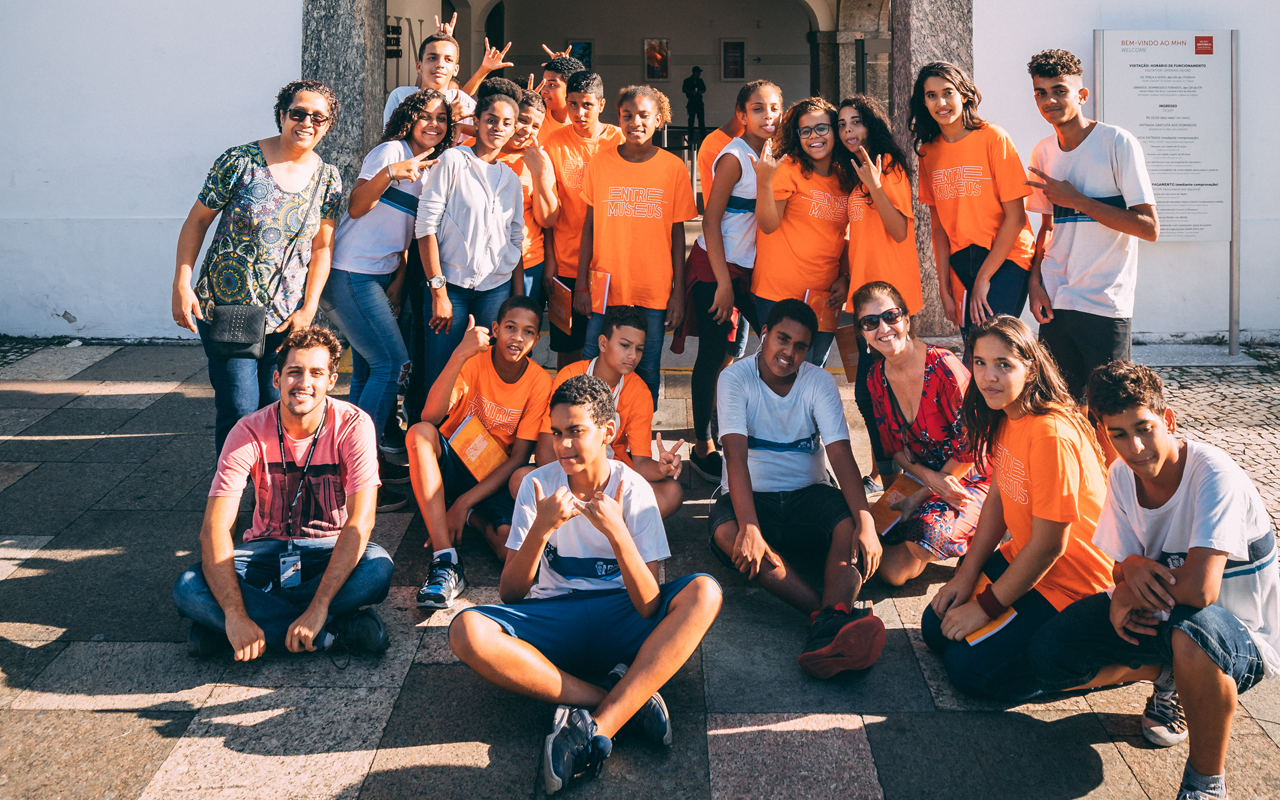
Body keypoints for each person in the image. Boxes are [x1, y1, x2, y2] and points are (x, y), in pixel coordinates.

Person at [448, 374, 723, 794]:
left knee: (706, 592)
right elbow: (511, 594)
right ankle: (618, 697)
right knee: (466, 631)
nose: (563, 446)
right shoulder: (538, 486)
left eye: (576, 432)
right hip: (556, 618)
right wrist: (540, 529)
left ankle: (593, 726)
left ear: (607, 432)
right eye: (557, 433)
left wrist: (617, 534)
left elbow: (649, 605)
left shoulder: (634, 490)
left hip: (622, 616)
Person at [1030, 361, 1278, 800]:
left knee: (1192, 633)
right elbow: (1116, 568)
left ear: (1168, 420)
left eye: (1144, 427)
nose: (1136, 446)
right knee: (1050, 656)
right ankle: (1171, 676)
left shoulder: (1213, 474)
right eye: (1119, 434)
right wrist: (1124, 581)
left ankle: (1206, 783)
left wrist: (1128, 584)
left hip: (1238, 633)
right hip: (1166, 618)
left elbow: (1201, 591)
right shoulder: (1121, 475)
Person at [922, 315, 1113, 701]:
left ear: (1031, 367)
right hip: (1029, 560)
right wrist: (965, 574)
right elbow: (997, 497)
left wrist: (985, 608)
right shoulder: (1008, 413)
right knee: (935, 627)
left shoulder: (1049, 433)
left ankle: (1120, 662)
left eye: (1003, 364)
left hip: (1075, 585)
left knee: (969, 671)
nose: (988, 376)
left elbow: (1049, 545)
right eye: (979, 362)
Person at [173, 326, 393, 660]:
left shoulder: (353, 425)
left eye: (316, 373)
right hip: (265, 553)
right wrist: (234, 614)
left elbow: (361, 522)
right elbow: (215, 529)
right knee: (188, 585)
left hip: (327, 551)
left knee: (377, 566)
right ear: (276, 379)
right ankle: (333, 631)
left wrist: (318, 606)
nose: (304, 383)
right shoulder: (247, 431)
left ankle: (247, 626)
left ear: (331, 382)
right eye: (294, 372)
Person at [709, 299, 886, 678]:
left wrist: (866, 522)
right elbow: (735, 457)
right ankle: (828, 619)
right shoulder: (735, 378)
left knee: (850, 528)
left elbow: (841, 456)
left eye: (800, 346)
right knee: (728, 532)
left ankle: (829, 621)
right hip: (753, 497)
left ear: (809, 351)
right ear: (764, 335)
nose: (788, 352)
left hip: (809, 493)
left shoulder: (818, 382)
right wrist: (751, 528)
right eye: (782, 339)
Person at [172, 80, 344, 457]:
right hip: (227, 308)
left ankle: (268, 501)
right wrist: (182, 284)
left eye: (318, 117)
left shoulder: (328, 178)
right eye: (297, 113)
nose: (306, 123)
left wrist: (308, 307)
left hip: (286, 316)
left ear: (328, 125)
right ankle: (228, 503)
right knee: (238, 410)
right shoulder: (240, 161)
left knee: (280, 410)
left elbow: (322, 247)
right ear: (282, 115)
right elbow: (197, 221)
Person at [320, 89, 452, 510]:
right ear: (408, 118)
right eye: (426, 116)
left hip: (377, 277)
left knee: (366, 373)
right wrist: (392, 171)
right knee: (393, 365)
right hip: (351, 273)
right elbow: (357, 207)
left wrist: (397, 278)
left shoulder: (431, 168)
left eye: (442, 119)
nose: (434, 124)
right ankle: (362, 469)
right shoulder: (389, 152)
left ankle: (341, 464)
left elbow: (406, 230)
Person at [1023, 49, 1160, 402]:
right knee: (1060, 408)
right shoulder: (1043, 151)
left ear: (1082, 95)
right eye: (1041, 92)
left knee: (1111, 410)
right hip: (1056, 302)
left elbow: (1148, 227)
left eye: (1059, 90)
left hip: (1104, 303)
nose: (1049, 100)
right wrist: (1035, 283)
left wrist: (1078, 200)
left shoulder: (1117, 142)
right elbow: (1047, 227)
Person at [407, 296, 552, 609]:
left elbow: (517, 459)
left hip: (492, 476)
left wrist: (464, 503)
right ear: (496, 329)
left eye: (528, 332)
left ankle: (470, 517)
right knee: (418, 434)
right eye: (510, 327)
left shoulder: (540, 382)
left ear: (536, 340)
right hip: (453, 461)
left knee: (509, 549)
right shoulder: (474, 360)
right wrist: (459, 354)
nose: (517, 337)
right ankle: (445, 560)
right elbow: (429, 417)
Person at [852, 282, 988, 586]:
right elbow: (894, 448)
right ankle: (943, 539)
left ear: (907, 320)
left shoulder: (944, 367)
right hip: (922, 475)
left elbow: (971, 450)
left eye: (891, 316)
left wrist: (926, 492)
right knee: (872, 549)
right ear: (862, 334)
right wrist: (926, 481)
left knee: (911, 551)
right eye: (870, 322)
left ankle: (992, 532)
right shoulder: (876, 377)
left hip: (971, 477)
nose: (883, 328)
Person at [683, 80, 782, 483]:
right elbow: (709, 220)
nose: (768, 116)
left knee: (765, 340)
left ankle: (751, 426)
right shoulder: (733, 157)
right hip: (717, 267)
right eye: (758, 109)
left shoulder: (773, 155)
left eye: (774, 108)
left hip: (750, 272)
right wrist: (723, 284)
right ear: (742, 115)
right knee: (712, 352)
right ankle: (702, 444)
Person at [579, 85, 698, 404]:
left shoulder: (672, 167)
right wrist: (580, 284)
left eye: (644, 115)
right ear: (618, 118)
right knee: (593, 361)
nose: (635, 122)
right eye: (627, 116)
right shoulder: (600, 163)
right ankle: (593, 433)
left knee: (646, 366)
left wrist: (678, 293)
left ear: (659, 120)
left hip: (653, 289)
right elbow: (588, 226)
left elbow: (678, 235)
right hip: (605, 285)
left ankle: (639, 441)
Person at [512, 305, 686, 518]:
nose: (632, 355)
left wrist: (661, 469)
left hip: (611, 480)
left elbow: (640, 463)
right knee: (520, 480)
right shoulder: (571, 375)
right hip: (567, 473)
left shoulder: (639, 392)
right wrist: (569, 487)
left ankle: (582, 523)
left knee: (672, 492)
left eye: (639, 349)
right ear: (603, 343)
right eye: (625, 345)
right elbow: (545, 450)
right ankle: (601, 527)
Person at [414, 87, 524, 401]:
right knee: (440, 371)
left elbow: (516, 235)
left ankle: (471, 448)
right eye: (490, 120)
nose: (498, 128)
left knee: (481, 375)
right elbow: (426, 227)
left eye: (506, 122)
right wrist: (439, 292)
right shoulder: (452, 160)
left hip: (494, 289)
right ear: (476, 121)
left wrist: (511, 290)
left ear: (514, 128)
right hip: (450, 288)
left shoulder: (511, 179)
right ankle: (433, 442)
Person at [910, 62, 1036, 335]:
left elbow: (1016, 219)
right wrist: (943, 289)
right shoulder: (928, 153)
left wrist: (983, 278)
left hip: (1006, 259)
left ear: (964, 95)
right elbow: (938, 228)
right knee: (974, 349)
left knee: (994, 342)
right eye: (931, 95)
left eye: (947, 92)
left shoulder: (993, 138)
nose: (940, 102)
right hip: (961, 263)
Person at [837, 94, 917, 488]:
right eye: (843, 124)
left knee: (879, 394)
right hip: (862, 297)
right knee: (872, 393)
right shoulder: (855, 173)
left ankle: (891, 474)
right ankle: (883, 472)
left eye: (856, 122)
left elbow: (900, 230)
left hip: (889, 301)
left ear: (872, 125)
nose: (849, 131)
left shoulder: (889, 166)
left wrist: (876, 186)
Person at [752, 97, 854, 367]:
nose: (814, 137)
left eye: (822, 128)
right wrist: (764, 181)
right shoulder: (789, 169)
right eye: (805, 131)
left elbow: (843, 236)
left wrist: (845, 276)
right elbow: (768, 224)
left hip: (824, 298)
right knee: (780, 372)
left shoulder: (846, 177)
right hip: (779, 293)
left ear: (835, 130)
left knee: (812, 372)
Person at [542, 71, 626, 368]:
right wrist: (550, 260)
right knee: (568, 350)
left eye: (587, 104)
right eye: (573, 104)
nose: (579, 112)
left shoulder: (619, 139)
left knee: (610, 348)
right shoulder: (553, 142)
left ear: (601, 105)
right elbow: (551, 207)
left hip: (608, 265)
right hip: (565, 263)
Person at [497, 87, 560, 305]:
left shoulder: (540, 159)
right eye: (523, 120)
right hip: (485, 260)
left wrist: (539, 174)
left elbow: (548, 220)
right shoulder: (478, 149)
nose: (528, 130)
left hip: (529, 259)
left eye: (536, 126)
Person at [382, 26, 477, 138]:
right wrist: (448, 117)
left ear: (456, 69)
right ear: (419, 66)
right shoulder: (401, 96)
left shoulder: (463, 102)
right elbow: (390, 139)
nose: (440, 65)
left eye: (448, 60)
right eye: (432, 58)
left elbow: (489, 140)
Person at [535, 55, 587, 143]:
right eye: (543, 84)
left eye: (552, 85)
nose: (544, 91)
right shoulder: (535, 116)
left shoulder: (583, 124)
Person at [681, 66, 707, 144]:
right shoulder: (688, 81)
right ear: (694, 72)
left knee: (701, 119)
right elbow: (684, 89)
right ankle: (691, 135)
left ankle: (702, 135)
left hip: (699, 101)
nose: (699, 74)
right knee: (691, 119)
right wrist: (691, 92)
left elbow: (704, 89)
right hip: (691, 101)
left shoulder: (700, 81)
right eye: (698, 72)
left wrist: (700, 91)